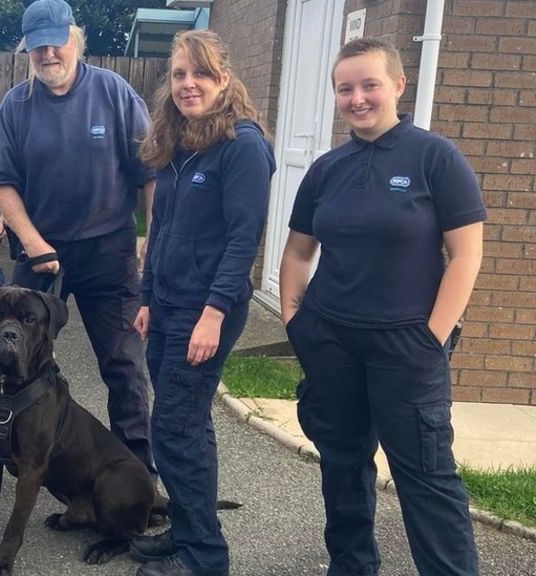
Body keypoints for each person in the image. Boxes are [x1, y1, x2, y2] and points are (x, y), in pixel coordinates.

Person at [279, 38, 484, 576]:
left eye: (369, 84)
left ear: (397, 85)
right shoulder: (327, 168)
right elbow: (298, 251)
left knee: (427, 476)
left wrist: (432, 337)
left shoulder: (435, 157)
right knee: (343, 467)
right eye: (345, 88)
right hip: (331, 342)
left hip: (407, 347)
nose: (357, 98)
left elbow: (466, 254)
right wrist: (295, 320)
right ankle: (351, 567)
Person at [0, 0, 157, 477]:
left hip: (110, 252)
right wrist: (32, 241)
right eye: (37, 46)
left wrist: (153, 239)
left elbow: (150, 175)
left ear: (75, 41)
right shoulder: (15, 106)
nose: (47, 54)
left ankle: (136, 473)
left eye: (55, 43)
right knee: (6, 358)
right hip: (40, 253)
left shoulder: (115, 93)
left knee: (123, 367)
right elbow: (2, 182)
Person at [129, 30, 275, 576]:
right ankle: (189, 530)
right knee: (184, 424)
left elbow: (244, 239)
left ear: (224, 78)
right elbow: (159, 224)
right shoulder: (177, 142)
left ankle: (205, 557)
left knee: (175, 426)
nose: (189, 84)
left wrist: (213, 314)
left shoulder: (242, 146)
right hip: (166, 303)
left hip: (206, 309)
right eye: (180, 74)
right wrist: (146, 298)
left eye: (201, 74)